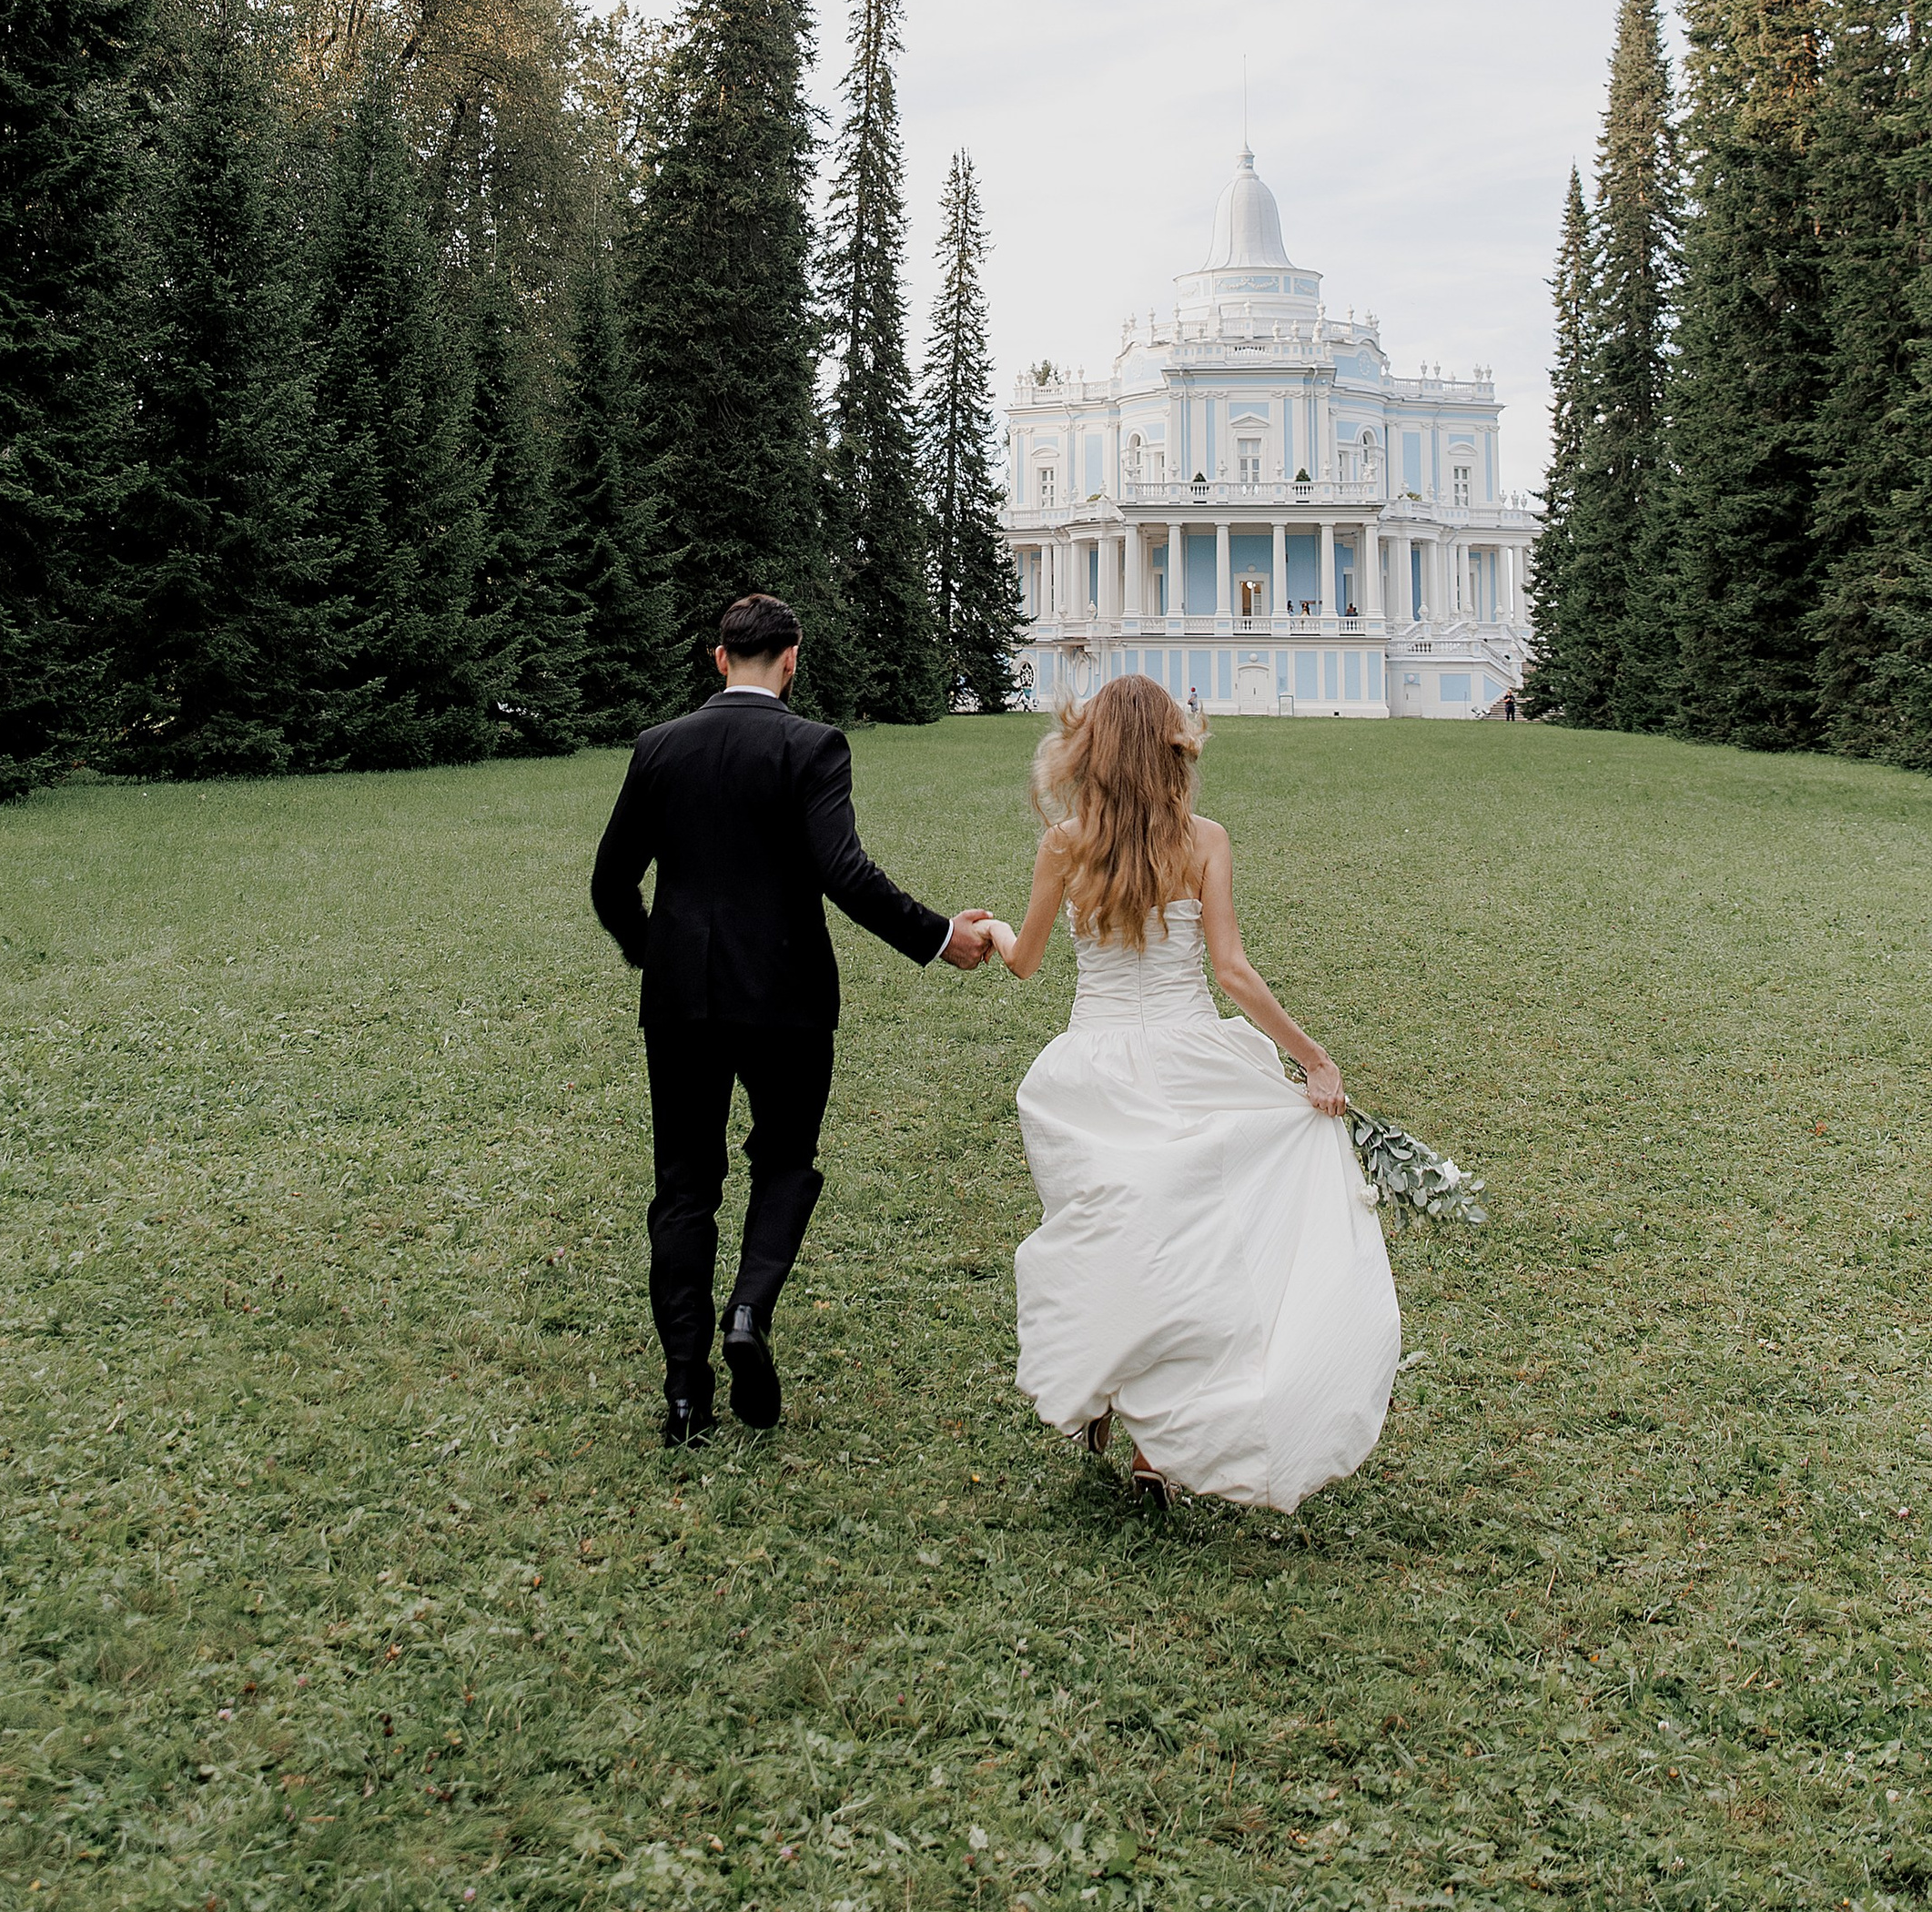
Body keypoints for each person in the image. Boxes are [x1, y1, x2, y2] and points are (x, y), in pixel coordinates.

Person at [984, 673, 1399, 1509]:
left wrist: (987, 928)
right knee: (1194, 1246)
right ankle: (1154, 1446)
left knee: (1109, 1232)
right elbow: (1233, 974)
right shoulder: (1205, 839)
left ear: (1090, 751)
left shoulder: (1064, 843)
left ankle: (1107, 1396)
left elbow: (1024, 960)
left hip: (1095, 1068)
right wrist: (1313, 1059)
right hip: (1190, 1058)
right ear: (1173, 748)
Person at [591, 592, 995, 1449]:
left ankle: (684, 1392)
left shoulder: (658, 748)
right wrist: (938, 938)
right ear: (793, 659)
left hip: (682, 1002)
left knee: (684, 1187)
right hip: (787, 998)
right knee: (784, 1162)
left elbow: (610, 883)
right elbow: (843, 871)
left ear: (718, 657)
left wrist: (653, 952)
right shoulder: (811, 745)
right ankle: (748, 1311)